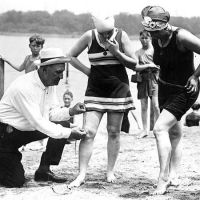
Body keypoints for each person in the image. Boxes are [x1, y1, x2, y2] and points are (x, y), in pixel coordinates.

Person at [66, 14, 138, 188]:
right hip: (95, 89)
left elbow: (134, 64)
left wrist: (116, 52)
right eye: (103, 33)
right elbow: (70, 56)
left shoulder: (122, 35)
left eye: (109, 32)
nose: (106, 36)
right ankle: (82, 174)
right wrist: (88, 72)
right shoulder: (89, 36)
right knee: (88, 132)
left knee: (114, 132)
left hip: (118, 89)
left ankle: (110, 171)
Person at [0, 48, 86, 188]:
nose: (61, 77)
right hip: (5, 135)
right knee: (15, 182)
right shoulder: (24, 87)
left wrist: (71, 111)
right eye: (58, 72)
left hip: (25, 129)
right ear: (44, 70)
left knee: (63, 124)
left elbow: (51, 113)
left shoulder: (48, 82)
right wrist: (70, 133)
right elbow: (39, 123)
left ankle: (44, 170)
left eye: (62, 72)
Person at [141, 6, 200, 195]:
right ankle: (175, 175)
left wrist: (195, 76)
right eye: (150, 32)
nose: (152, 35)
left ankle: (163, 177)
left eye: (155, 31)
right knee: (174, 133)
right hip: (164, 88)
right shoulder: (157, 38)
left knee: (159, 129)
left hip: (185, 90)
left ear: (164, 26)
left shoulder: (181, 36)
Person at [1, 34, 45, 150]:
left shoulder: (40, 60)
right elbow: (20, 68)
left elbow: (41, 77)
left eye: (38, 46)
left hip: (34, 89)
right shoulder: (27, 58)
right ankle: (22, 141)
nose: (36, 48)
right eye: (33, 45)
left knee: (36, 113)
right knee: (20, 112)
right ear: (29, 46)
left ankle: (40, 141)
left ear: (42, 47)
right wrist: (7, 60)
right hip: (25, 87)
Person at [135, 30, 160, 138]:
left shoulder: (155, 51)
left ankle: (158, 128)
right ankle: (145, 130)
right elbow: (135, 67)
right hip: (142, 79)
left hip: (154, 78)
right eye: (142, 38)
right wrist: (148, 65)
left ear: (150, 38)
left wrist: (153, 67)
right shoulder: (137, 53)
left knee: (156, 105)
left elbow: (160, 65)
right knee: (144, 105)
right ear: (139, 39)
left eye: (146, 38)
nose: (144, 40)